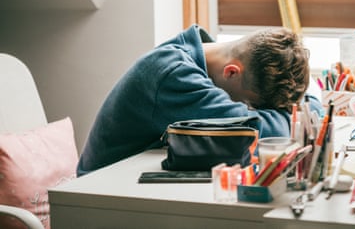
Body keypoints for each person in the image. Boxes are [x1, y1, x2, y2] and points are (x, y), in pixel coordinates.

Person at [77, 24, 322, 176]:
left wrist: (304, 106)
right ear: (232, 72)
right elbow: (253, 130)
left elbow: (311, 109)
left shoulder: (202, 57)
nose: (246, 109)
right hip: (96, 198)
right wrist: (303, 114)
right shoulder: (173, 75)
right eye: (249, 104)